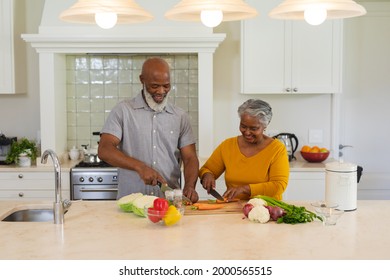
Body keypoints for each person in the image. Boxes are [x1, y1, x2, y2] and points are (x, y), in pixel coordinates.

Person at [98, 57, 199, 202]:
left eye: (166, 86)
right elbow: (104, 149)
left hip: (167, 203)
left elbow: (190, 158)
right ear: (142, 80)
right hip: (131, 203)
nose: (161, 91)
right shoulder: (123, 111)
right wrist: (140, 167)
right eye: (154, 86)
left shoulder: (180, 116)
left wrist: (190, 185)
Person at [199, 99, 289, 201]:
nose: (247, 132)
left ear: (265, 126)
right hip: (233, 207)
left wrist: (245, 189)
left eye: (253, 128)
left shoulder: (277, 149)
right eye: (243, 126)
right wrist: (207, 175)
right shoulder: (228, 145)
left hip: (267, 209)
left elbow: (278, 185)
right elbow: (207, 169)